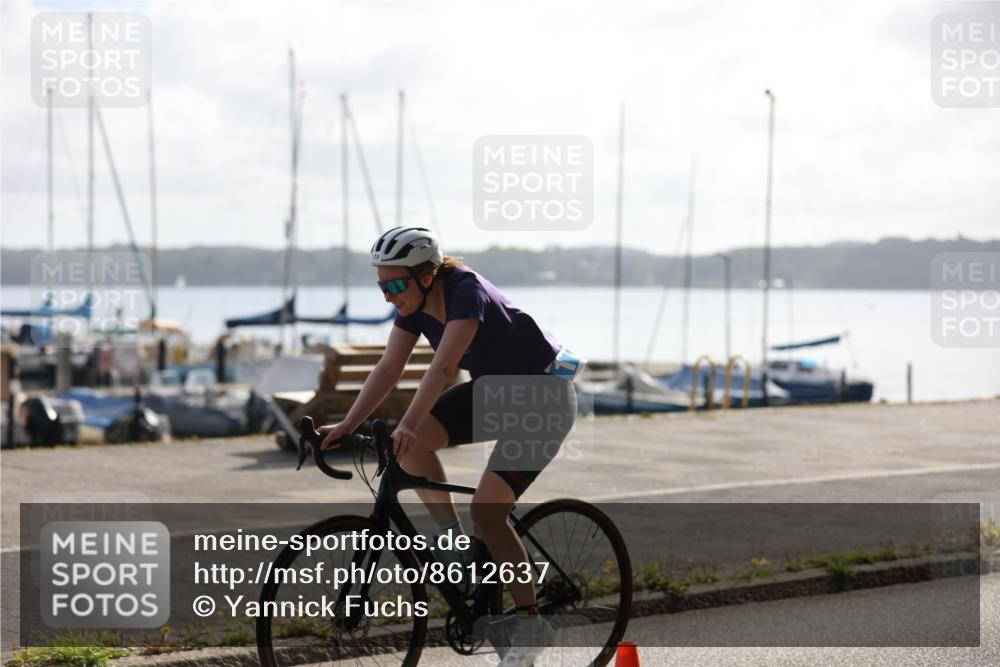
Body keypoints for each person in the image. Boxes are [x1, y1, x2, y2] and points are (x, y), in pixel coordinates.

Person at [317, 226, 583, 666]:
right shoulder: (413, 306)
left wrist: (406, 422)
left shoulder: (465, 290)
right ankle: (453, 544)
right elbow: (388, 369)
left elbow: (442, 369)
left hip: (544, 400)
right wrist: (346, 424)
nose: (388, 296)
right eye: (381, 286)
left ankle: (532, 625)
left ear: (426, 275)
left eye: (395, 285)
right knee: (414, 446)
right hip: (497, 394)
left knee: (487, 510)